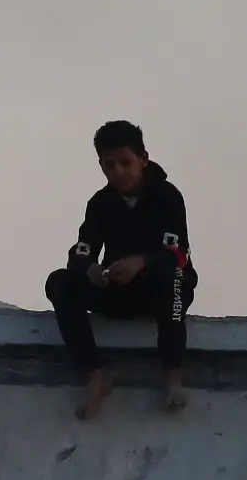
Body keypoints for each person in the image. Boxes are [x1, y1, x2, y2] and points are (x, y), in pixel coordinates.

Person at [46, 121, 197, 420]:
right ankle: (96, 374)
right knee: (59, 283)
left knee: (174, 278)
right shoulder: (100, 203)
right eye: (109, 165)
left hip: (160, 290)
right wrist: (90, 268)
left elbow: (177, 252)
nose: (118, 172)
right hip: (117, 292)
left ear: (143, 159)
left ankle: (172, 377)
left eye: (125, 163)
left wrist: (141, 262)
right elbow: (82, 248)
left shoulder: (167, 197)